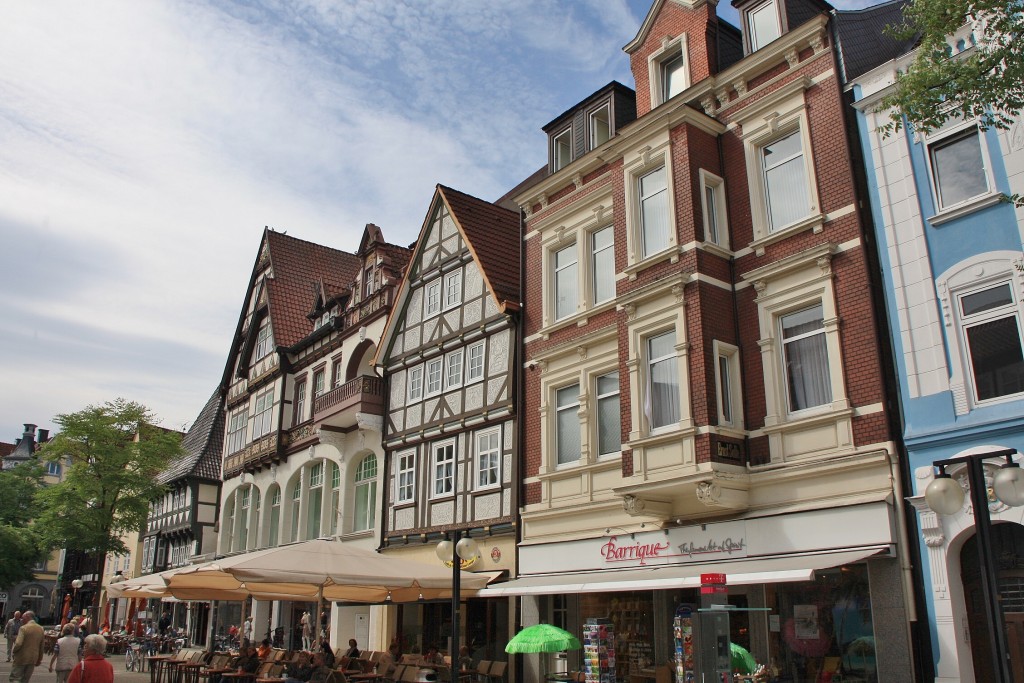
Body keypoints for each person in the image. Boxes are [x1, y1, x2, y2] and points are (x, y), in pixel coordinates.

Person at [11, 610, 45, 683]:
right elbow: (42, 646)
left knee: (15, 678)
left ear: (28, 617)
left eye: (23, 618)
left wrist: (14, 651)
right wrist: (40, 658)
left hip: (21, 657)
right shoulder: (41, 629)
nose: (22, 620)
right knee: (25, 679)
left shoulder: (23, 628)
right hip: (33, 658)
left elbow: (18, 643)